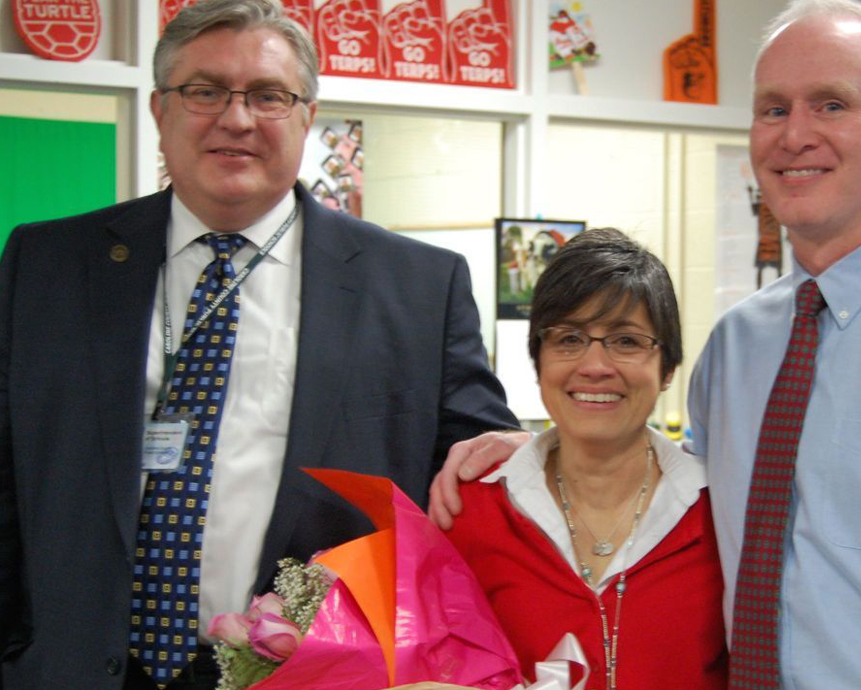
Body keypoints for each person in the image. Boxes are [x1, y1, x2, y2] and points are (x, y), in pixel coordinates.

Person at [429, 1, 861, 688]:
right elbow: (685, 499)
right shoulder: (738, 346)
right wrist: (555, 449)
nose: (795, 134)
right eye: (773, 110)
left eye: (831, 104)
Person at [0, 2, 516, 689]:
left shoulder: (419, 286)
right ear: (159, 111)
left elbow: (475, 471)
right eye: (205, 90)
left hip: (312, 672)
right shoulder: (49, 264)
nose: (236, 119)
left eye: (269, 96)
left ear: (307, 115)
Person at [448, 228, 727, 690]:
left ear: (668, 369)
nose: (595, 365)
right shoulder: (469, 514)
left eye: (627, 341)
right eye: (569, 339)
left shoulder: (721, 515)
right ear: (538, 363)